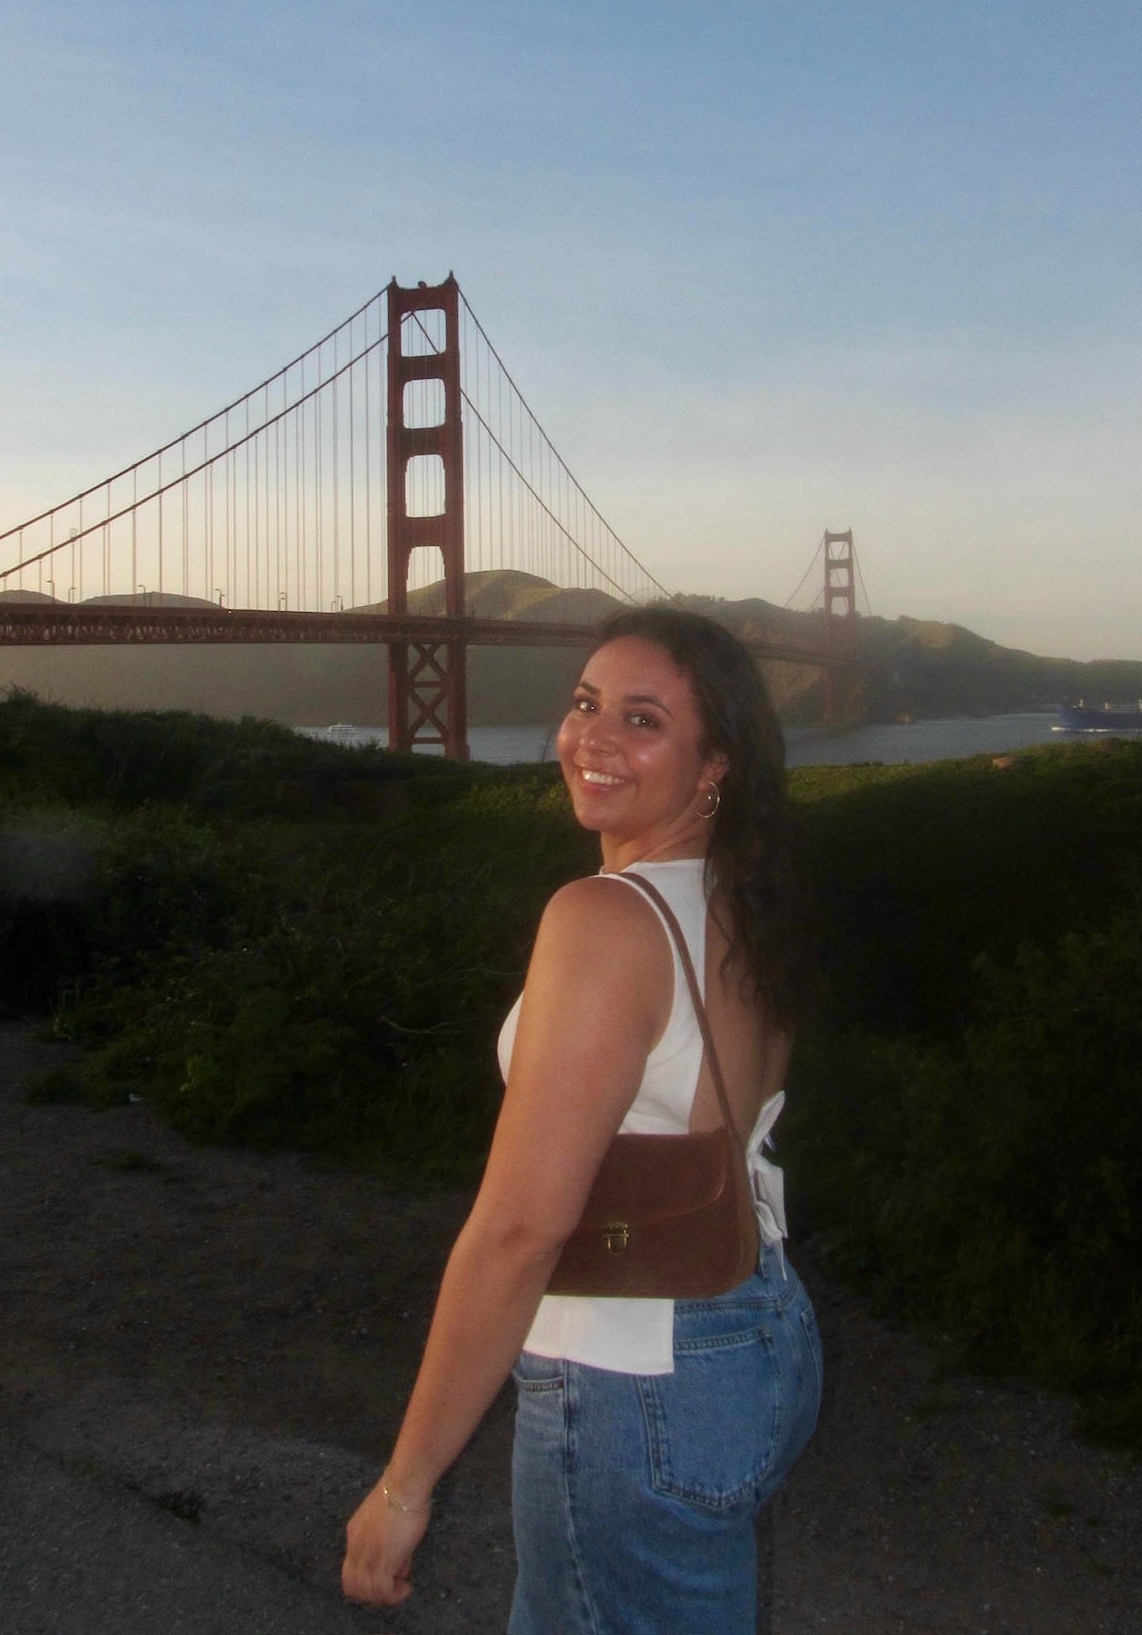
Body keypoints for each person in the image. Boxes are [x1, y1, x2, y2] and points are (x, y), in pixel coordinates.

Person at [341, 606, 822, 1632]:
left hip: (631, 1377)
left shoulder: (601, 920)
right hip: (761, 1328)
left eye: (642, 719)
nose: (592, 737)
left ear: (715, 766)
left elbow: (521, 1230)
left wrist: (405, 1485)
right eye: (585, 703)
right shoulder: (742, 900)